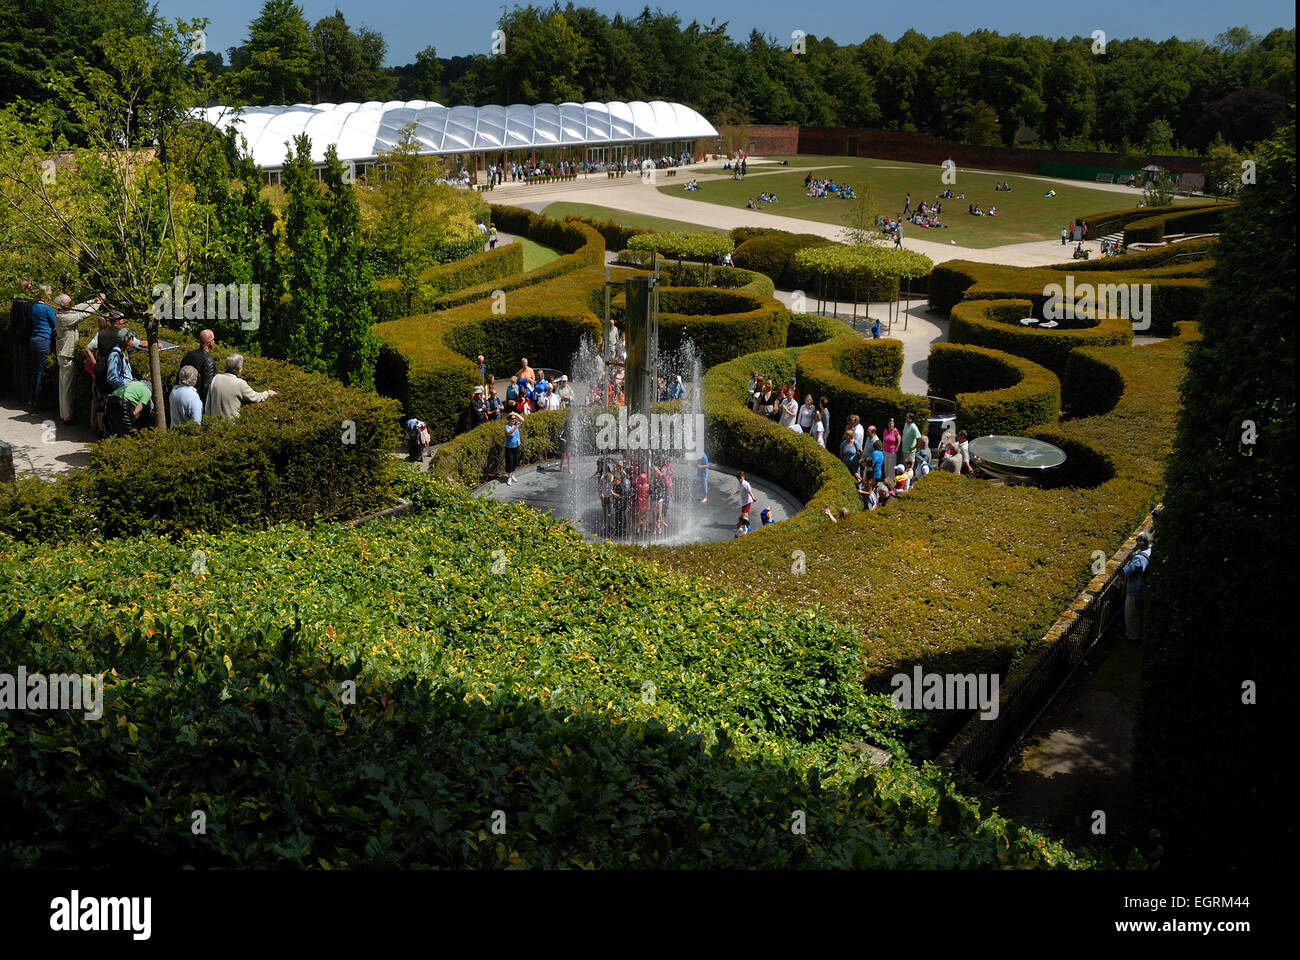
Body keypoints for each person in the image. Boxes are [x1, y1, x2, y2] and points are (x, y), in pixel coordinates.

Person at [54, 292, 103, 422]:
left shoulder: (63, 313)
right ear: (64, 305)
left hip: (63, 353)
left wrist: (93, 300)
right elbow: (82, 314)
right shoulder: (64, 318)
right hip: (66, 355)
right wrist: (98, 305)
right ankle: (68, 417)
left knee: (64, 386)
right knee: (67, 388)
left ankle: (64, 414)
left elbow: (79, 307)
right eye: (69, 303)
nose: (71, 305)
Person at [205, 354, 277, 420]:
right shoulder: (239, 384)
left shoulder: (216, 378)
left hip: (213, 424)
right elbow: (255, 397)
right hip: (231, 427)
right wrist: (267, 393)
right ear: (239, 369)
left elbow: (208, 403)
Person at [7, 278, 36, 400]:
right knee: (25, 366)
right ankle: (25, 394)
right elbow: (30, 321)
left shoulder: (16, 301)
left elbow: (12, 319)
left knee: (17, 365)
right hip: (25, 337)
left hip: (16, 336)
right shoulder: (28, 303)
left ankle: (18, 391)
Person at [27, 290, 57, 406]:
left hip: (34, 338)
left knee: (35, 370)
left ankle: (31, 398)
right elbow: (54, 323)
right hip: (43, 339)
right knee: (40, 371)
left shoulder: (34, 306)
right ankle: (38, 401)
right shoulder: (47, 308)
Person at [1123, 533, 1153, 641]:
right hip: (1144, 588)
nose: (1136, 542)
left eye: (1137, 540)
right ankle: (1141, 635)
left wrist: (1125, 567)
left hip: (1134, 590)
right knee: (1141, 614)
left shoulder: (1139, 558)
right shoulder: (1150, 552)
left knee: (1131, 614)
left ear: (1141, 542)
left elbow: (1128, 571)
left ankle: (1132, 637)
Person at [180, 330, 217, 404]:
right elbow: (207, 387)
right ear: (209, 343)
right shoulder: (209, 361)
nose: (214, 342)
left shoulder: (189, 354)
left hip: (182, 394)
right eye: (213, 339)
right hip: (197, 400)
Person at [502, 411, 523, 484]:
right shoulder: (507, 426)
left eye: (514, 419)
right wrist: (515, 426)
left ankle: (512, 475)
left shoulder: (515, 424)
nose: (513, 420)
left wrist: (516, 414)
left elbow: (522, 420)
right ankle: (509, 477)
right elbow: (509, 432)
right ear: (508, 419)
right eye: (511, 418)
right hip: (509, 447)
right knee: (509, 462)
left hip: (516, 446)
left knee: (515, 461)